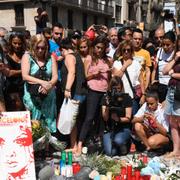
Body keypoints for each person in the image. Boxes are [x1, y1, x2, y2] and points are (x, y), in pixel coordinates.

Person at [76, 35, 112, 155]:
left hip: (104, 91)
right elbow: (86, 77)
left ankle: (98, 142)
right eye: (97, 47)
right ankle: (80, 143)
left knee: (102, 118)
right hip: (93, 90)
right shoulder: (89, 58)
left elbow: (110, 77)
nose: (99, 50)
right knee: (89, 117)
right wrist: (95, 74)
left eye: (102, 48)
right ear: (94, 46)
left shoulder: (108, 60)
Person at [21, 34, 58, 133]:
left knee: (47, 124)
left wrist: (48, 86)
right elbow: (25, 76)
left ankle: (46, 147)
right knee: (33, 126)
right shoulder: (27, 57)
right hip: (32, 96)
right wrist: (43, 83)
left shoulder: (51, 57)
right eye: (38, 47)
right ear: (33, 46)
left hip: (48, 95)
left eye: (43, 47)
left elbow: (55, 76)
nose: (40, 50)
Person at [60, 37, 87, 153]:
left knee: (72, 120)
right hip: (80, 92)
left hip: (75, 93)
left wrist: (67, 88)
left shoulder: (69, 57)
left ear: (63, 49)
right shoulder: (76, 56)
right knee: (74, 120)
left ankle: (74, 146)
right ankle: (74, 144)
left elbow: (72, 72)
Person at [132, 91, 170, 156]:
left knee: (151, 142)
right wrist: (141, 118)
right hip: (151, 133)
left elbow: (165, 133)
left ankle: (161, 147)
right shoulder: (145, 106)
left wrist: (155, 122)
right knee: (137, 125)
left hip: (163, 135)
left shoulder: (162, 110)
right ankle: (149, 148)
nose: (149, 106)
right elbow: (133, 120)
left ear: (157, 101)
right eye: (148, 104)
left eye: (152, 104)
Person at [102, 76, 132, 156]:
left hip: (123, 128)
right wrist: (107, 107)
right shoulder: (106, 98)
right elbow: (105, 118)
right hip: (110, 128)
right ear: (111, 87)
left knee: (118, 140)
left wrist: (118, 119)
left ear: (121, 88)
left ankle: (125, 142)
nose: (116, 91)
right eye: (114, 88)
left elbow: (128, 118)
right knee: (111, 152)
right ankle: (117, 146)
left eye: (118, 88)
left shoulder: (126, 98)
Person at [112, 40, 145, 115]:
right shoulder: (116, 63)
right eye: (124, 50)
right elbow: (117, 77)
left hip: (132, 97)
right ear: (121, 51)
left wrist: (143, 95)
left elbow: (141, 80)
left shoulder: (136, 63)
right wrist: (125, 65)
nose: (126, 52)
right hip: (120, 96)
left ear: (131, 51)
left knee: (133, 118)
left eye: (128, 50)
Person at [163, 46, 180, 158]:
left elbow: (169, 73)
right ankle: (176, 151)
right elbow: (164, 70)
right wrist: (175, 58)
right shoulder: (176, 56)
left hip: (179, 92)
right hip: (172, 90)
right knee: (172, 121)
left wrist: (172, 74)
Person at [2, 32, 26, 111]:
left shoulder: (25, 55)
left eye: (19, 43)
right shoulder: (6, 56)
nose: (17, 46)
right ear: (10, 43)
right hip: (11, 89)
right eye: (15, 43)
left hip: (24, 89)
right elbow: (9, 73)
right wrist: (24, 71)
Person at [151, 31, 176, 103]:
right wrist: (153, 82)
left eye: (168, 45)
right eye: (163, 44)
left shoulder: (176, 54)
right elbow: (155, 69)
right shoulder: (159, 51)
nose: (165, 47)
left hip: (171, 86)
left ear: (174, 44)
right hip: (160, 86)